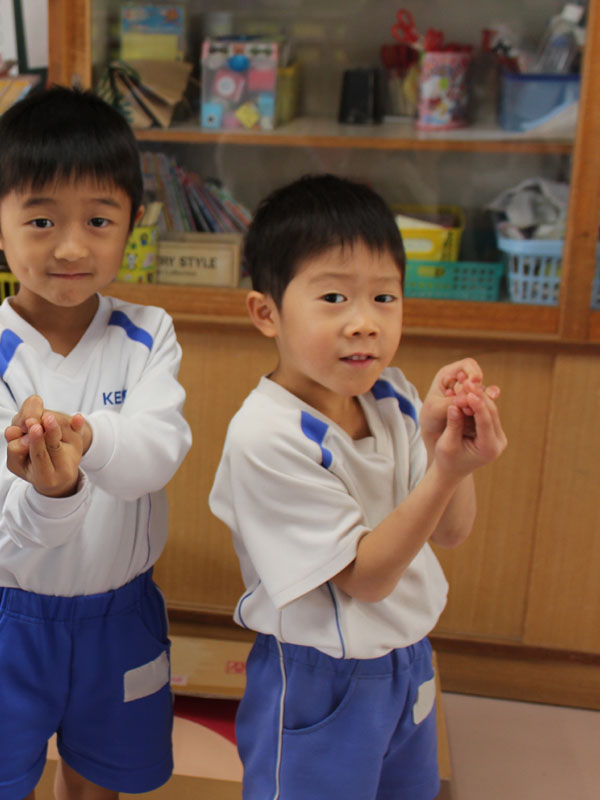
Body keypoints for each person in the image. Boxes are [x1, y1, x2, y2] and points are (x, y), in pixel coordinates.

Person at [208, 174, 508, 800]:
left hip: (408, 660)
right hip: (322, 677)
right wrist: (446, 470)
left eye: (384, 298)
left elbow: (450, 531)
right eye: (335, 298)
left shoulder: (393, 395)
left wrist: (450, 447)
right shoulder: (267, 436)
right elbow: (366, 579)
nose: (365, 323)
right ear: (267, 313)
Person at [0, 87, 193, 800]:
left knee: (102, 777)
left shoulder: (148, 334)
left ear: (131, 225)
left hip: (122, 610)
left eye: (98, 219)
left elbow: (158, 452)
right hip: (8, 613)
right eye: (41, 219)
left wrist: (85, 440)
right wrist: (56, 489)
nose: (72, 246)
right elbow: (9, 503)